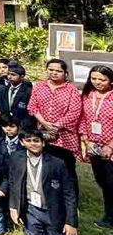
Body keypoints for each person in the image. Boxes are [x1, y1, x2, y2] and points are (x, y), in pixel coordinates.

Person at [9, 129, 78, 235]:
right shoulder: (16, 158)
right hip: (31, 210)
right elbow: (14, 184)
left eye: (36, 141)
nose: (33, 144)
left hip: (53, 211)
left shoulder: (57, 163)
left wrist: (71, 222)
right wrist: (13, 207)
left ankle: (53, 232)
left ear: (43, 143)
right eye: (28, 141)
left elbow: (69, 193)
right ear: (22, 142)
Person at [27, 59, 81, 199]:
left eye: (58, 71)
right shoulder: (39, 86)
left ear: (65, 73)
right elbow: (32, 107)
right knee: (46, 167)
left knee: (67, 169)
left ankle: (71, 201)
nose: (54, 73)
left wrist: (56, 126)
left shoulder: (72, 90)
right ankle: (49, 198)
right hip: (43, 132)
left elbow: (74, 112)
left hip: (65, 136)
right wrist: (45, 123)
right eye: (51, 70)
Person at [79, 65, 113, 228]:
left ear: (110, 80)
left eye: (102, 79)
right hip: (94, 146)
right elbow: (82, 119)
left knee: (112, 182)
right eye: (94, 78)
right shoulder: (88, 95)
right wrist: (86, 140)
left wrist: (110, 146)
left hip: (110, 147)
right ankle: (109, 215)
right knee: (103, 181)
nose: (97, 82)